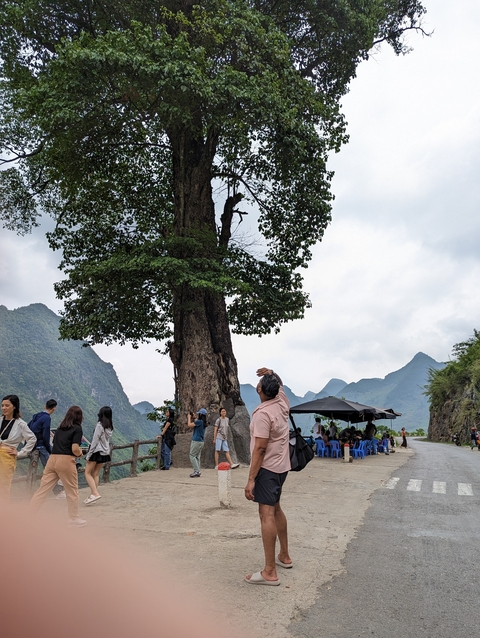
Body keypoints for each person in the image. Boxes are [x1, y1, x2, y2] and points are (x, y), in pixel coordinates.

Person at [245, 367, 291, 586]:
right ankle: (285, 555)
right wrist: (273, 373)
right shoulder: (282, 403)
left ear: (260, 389)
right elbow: (279, 385)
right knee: (276, 508)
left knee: (266, 515)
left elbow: (260, 449)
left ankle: (270, 571)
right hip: (282, 468)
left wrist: (251, 479)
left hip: (268, 469)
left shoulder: (263, 413)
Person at [30, 405, 86, 526]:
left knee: (42, 489)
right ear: (79, 417)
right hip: (66, 460)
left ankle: (29, 515)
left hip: (52, 459)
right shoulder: (77, 428)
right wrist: (80, 453)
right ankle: (73, 518)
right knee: (72, 491)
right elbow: (75, 448)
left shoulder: (60, 428)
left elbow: (54, 443)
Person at [0, 394, 36, 499]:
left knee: (4, 485)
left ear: (14, 406)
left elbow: (32, 439)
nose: (4, 408)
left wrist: (21, 452)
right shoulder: (0, 420)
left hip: (7, 456)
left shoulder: (21, 424)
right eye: (2, 405)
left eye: (7, 405)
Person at [84, 406, 113, 504]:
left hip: (96, 452)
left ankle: (95, 494)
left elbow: (94, 441)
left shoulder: (100, 425)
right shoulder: (110, 427)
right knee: (95, 474)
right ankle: (93, 495)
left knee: (87, 473)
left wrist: (88, 455)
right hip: (105, 452)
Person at [28, 399, 58, 468]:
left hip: (33, 443)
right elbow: (45, 435)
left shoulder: (37, 415)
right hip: (40, 445)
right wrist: (48, 448)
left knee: (56, 452)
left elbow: (28, 427)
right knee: (49, 468)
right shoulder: (47, 418)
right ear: (54, 408)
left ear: (45, 406)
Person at [187, 408, 207, 477]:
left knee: (192, 455)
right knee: (197, 456)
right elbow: (196, 422)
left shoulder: (199, 422)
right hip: (201, 441)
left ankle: (196, 471)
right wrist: (194, 417)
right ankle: (198, 470)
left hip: (196, 441)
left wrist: (189, 418)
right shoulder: (203, 422)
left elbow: (189, 425)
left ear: (200, 414)